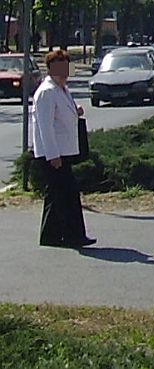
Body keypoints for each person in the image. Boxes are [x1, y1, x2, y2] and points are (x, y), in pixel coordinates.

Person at [32, 49, 96, 248]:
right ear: (52, 68)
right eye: (61, 67)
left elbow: (63, 114)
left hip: (64, 151)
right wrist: (53, 155)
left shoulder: (63, 90)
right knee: (67, 194)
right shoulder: (47, 91)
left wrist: (75, 112)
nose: (66, 72)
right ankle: (73, 235)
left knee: (56, 194)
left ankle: (50, 235)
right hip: (53, 154)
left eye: (67, 66)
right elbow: (45, 126)